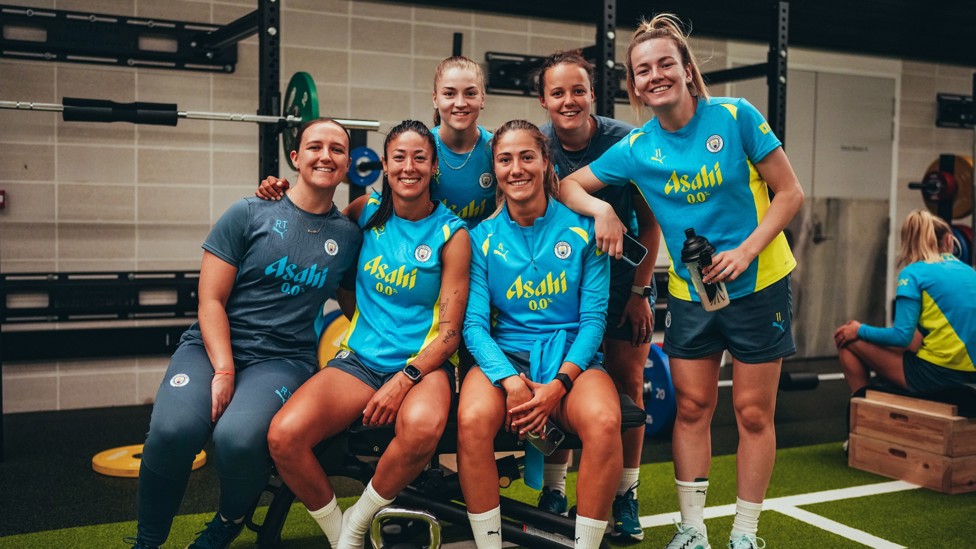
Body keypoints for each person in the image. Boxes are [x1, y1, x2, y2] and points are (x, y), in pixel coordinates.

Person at [558, 14, 804, 549]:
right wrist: (601, 209)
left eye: (665, 63)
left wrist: (746, 250)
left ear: (688, 70)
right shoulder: (638, 147)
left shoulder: (736, 118)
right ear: (634, 86)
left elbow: (790, 194)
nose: (655, 76)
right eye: (642, 70)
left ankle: (745, 533)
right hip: (693, 293)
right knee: (692, 409)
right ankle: (693, 529)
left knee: (752, 412)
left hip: (759, 285)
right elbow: (567, 185)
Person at [128, 119, 363, 549]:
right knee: (172, 431)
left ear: (348, 163)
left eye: (336, 149)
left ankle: (229, 519)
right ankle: (148, 541)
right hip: (212, 347)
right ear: (295, 157)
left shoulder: (348, 237)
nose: (325, 156)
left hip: (283, 359)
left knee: (235, 439)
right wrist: (223, 370)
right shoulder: (249, 212)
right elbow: (210, 300)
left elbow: (357, 306)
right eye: (314, 146)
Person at [266, 119, 470, 549]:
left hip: (422, 367)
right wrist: (274, 198)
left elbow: (450, 334)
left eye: (420, 158)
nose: (408, 167)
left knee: (420, 429)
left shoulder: (452, 235)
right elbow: (317, 232)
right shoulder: (363, 211)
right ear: (384, 164)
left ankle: (356, 525)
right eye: (399, 157)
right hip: (359, 360)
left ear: (434, 167)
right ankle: (339, 531)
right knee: (284, 437)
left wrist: (403, 381)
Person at [457, 119, 622, 549]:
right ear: (495, 168)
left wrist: (559, 385)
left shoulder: (585, 231)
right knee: (472, 419)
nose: (517, 168)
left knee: (605, 422)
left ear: (546, 162)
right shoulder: (480, 239)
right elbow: (473, 326)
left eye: (527, 157)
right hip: (507, 357)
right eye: (505, 159)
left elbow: (593, 323)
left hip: (572, 359)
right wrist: (510, 381)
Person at [532, 49, 661, 540]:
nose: (569, 100)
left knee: (628, 386)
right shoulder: (538, 147)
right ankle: (554, 489)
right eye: (558, 92)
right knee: (562, 381)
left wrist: (640, 292)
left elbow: (650, 225)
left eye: (578, 90)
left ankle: (626, 494)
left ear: (592, 94)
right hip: (563, 290)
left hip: (622, 284)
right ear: (544, 101)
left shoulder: (624, 141)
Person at [255, 56, 495, 228]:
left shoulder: (497, 150)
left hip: (482, 266)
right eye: (449, 93)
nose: (460, 102)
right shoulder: (420, 148)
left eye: (471, 93)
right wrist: (285, 196)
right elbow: (376, 204)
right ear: (435, 99)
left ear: (482, 98)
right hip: (427, 260)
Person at [835, 209, 976, 393]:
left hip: (937, 375)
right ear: (950, 240)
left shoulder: (913, 273)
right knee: (916, 337)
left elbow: (901, 337)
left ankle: (863, 410)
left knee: (846, 340)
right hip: (972, 374)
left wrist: (859, 330)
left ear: (909, 242)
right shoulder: (970, 272)